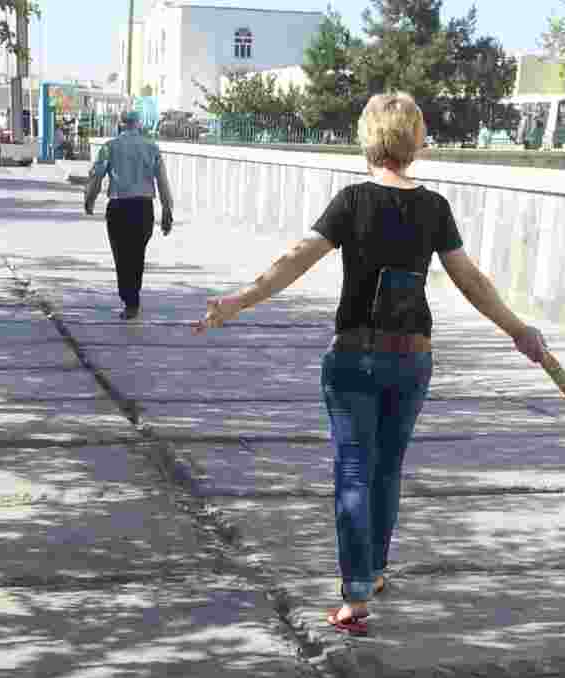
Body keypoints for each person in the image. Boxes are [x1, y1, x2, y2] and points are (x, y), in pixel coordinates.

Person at [191, 92, 546, 635]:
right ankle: (374, 570)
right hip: (412, 360)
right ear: (415, 139)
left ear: (368, 138)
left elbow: (295, 261)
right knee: (387, 469)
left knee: (355, 470)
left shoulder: (352, 201)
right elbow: (470, 280)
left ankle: (356, 595)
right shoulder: (433, 208)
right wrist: (518, 329)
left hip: (355, 357)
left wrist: (238, 302)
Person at [84, 110, 175, 320]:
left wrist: (89, 199)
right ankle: (132, 300)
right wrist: (167, 210)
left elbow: (97, 176)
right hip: (143, 208)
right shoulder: (152, 147)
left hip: (119, 208)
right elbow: (162, 181)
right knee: (137, 255)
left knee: (122, 256)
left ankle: (130, 300)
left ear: (120, 124)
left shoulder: (110, 147)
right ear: (139, 124)